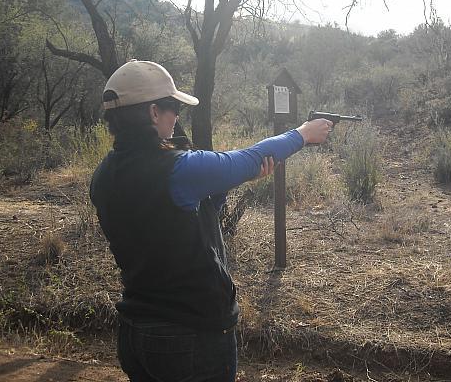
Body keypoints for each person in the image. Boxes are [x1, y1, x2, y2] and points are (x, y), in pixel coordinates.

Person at [90, 60, 332, 382]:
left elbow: (175, 222)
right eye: (174, 107)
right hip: (189, 334)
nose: (177, 116)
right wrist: (303, 134)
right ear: (153, 112)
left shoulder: (104, 175)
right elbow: (250, 158)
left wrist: (223, 185)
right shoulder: (176, 168)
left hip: (137, 332)